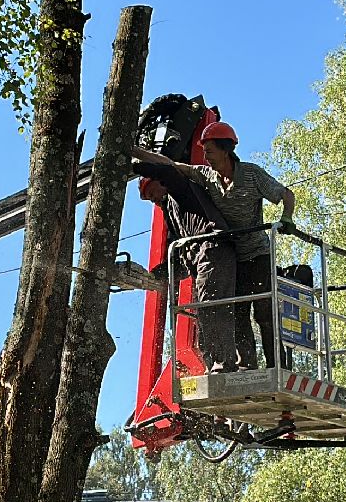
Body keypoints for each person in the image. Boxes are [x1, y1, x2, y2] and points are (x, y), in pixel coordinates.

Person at [125, 143, 238, 373]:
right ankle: (214, 364)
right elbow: (181, 257)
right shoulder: (173, 214)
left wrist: (137, 165)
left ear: (158, 183)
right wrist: (158, 275)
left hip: (213, 250)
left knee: (210, 308)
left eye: (151, 193)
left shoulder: (181, 189)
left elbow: (167, 168)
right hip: (202, 258)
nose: (153, 200)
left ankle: (222, 363)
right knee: (204, 311)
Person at [193, 121, 296, 371]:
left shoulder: (250, 174)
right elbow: (175, 168)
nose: (206, 158)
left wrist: (287, 218)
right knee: (237, 313)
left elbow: (286, 195)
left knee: (264, 312)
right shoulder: (208, 177)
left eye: (210, 152)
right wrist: (137, 154)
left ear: (226, 150)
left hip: (258, 254)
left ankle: (277, 366)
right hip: (234, 259)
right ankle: (247, 363)